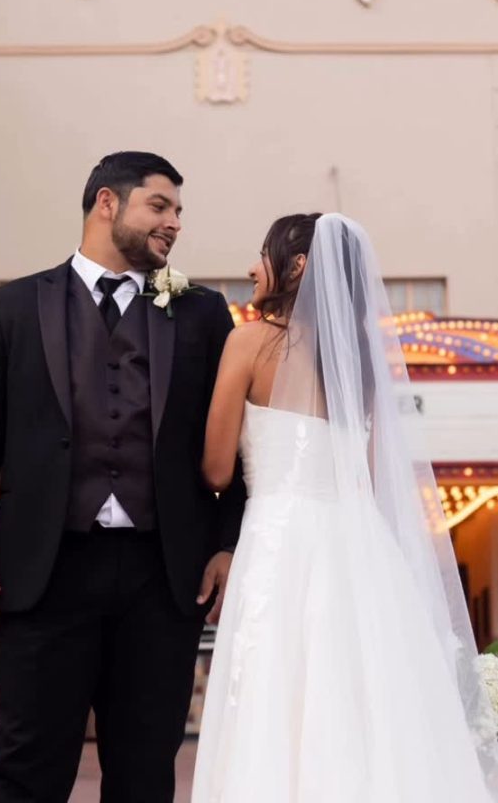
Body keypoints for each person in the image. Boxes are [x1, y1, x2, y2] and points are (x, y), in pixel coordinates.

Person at [0, 151, 246, 803]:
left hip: (161, 577)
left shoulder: (199, 311)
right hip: (45, 571)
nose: (174, 224)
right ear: (107, 203)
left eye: (179, 212)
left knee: (142, 773)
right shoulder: (16, 305)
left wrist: (225, 542)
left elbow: (239, 442)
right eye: (159, 206)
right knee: (26, 766)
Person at [192, 212, 498, 802]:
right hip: (362, 547)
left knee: (276, 696)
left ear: (298, 265)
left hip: (280, 538)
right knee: (364, 701)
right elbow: (380, 475)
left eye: (264, 253)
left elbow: (215, 468)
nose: (252, 267)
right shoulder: (359, 360)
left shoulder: (249, 341)